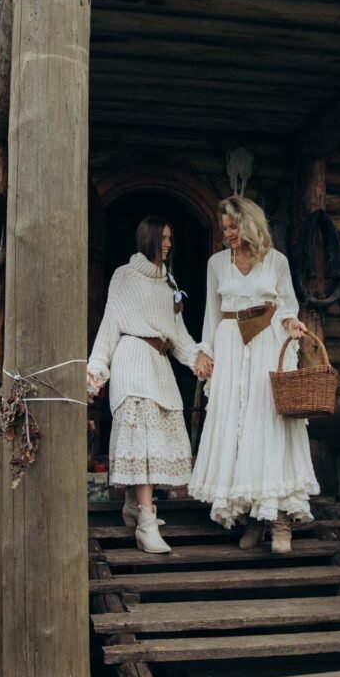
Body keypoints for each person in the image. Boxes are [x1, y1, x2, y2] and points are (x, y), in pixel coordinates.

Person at [189, 195, 320, 553]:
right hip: (232, 345)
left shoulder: (276, 261)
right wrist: (206, 350)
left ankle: (279, 521)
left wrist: (292, 322)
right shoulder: (217, 263)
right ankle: (252, 518)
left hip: (266, 343)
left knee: (270, 426)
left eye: (233, 227)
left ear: (249, 224)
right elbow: (212, 313)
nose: (228, 234)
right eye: (224, 228)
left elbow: (287, 304)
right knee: (238, 428)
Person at [86, 217, 212, 554]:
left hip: (159, 363)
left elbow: (178, 334)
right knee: (141, 437)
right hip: (131, 359)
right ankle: (146, 521)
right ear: (148, 239)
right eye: (163, 238)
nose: (168, 244)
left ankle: (132, 505)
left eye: (170, 238)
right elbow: (110, 323)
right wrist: (97, 366)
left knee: (154, 440)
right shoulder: (124, 276)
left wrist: (198, 357)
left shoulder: (170, 284)